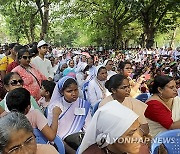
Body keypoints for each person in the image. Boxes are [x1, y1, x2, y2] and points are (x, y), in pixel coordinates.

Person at [79, 100, 149, 154]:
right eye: (131, 134)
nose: (139, 138)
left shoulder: (142, 149)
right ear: (111, 138)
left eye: (138, 129)